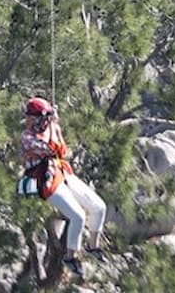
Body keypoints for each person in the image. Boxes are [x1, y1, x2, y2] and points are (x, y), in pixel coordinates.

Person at [19, 97, 107, 277]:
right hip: (46, 180)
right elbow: (49, 149)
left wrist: (54, 125)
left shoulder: (52, 128)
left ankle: (93, 246)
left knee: (99, 207)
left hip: (62, 173)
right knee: (78, 216)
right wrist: (52, 125)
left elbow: (62, 151)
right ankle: (70, 256)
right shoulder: (26, 137)